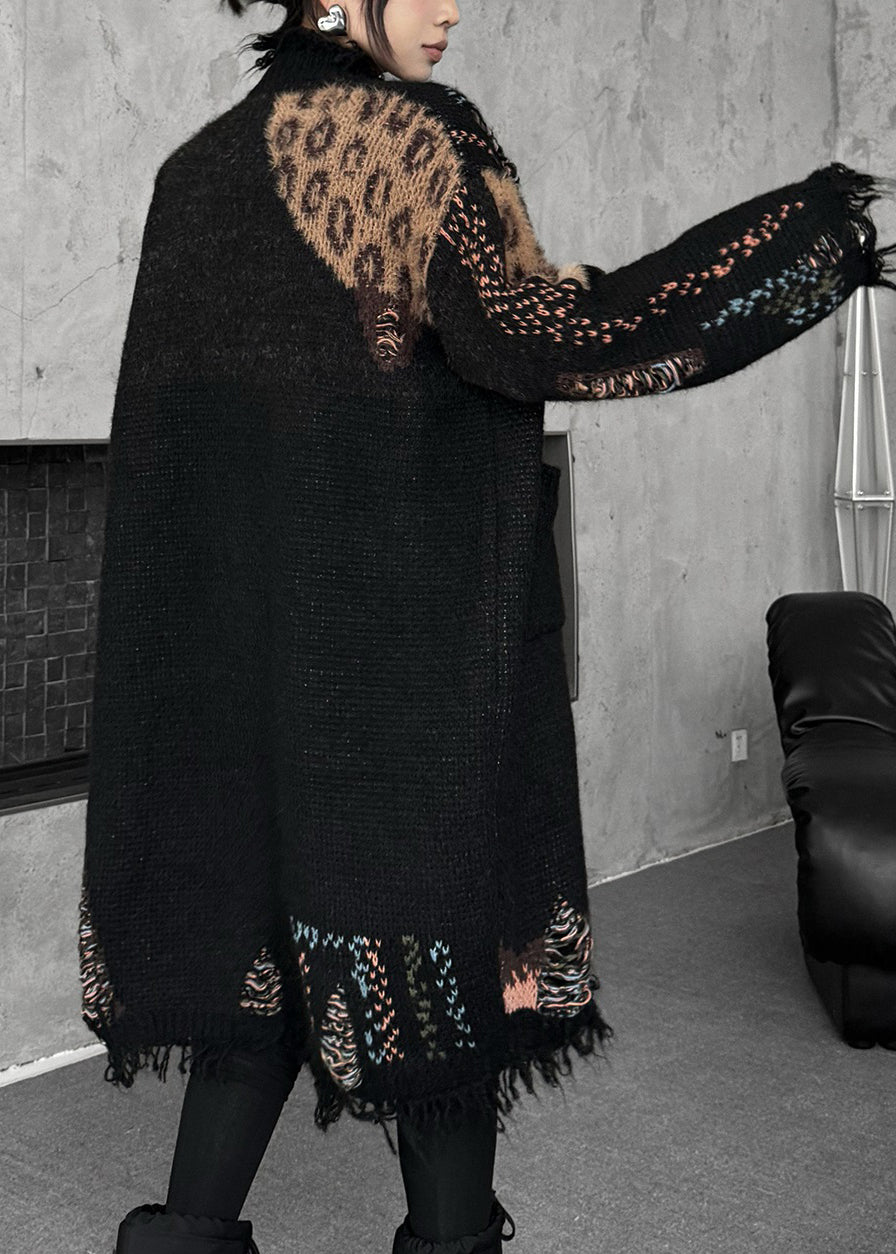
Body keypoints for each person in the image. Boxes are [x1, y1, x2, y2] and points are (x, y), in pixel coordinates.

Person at [87, 2, 896, 1252]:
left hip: (237, 672)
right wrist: (806, 239)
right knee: (440, 1002)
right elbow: (540, 338)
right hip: (401, 673)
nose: (451, 5)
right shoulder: (416, 140)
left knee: (265, 977)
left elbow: (173, 442)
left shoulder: (190, 174)